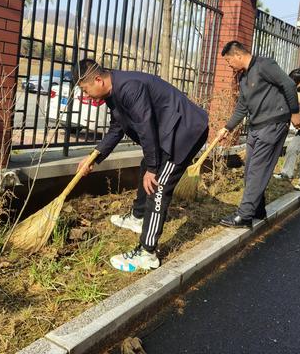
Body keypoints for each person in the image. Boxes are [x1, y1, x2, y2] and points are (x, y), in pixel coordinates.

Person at [74, 59, 209, 272]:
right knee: (145, 165)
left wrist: (154, 169)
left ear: (98, 80)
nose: (85, 94)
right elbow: (117, 128)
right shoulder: (113, 93)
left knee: (157, 186)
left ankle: (147, 253)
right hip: (169, 130)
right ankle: (137, 218)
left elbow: (146, 127)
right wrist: (94, 157)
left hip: (186, 132)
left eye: (85, 89)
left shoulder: (129, 88)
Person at [217, 41, 300, 228]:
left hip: (273, 124)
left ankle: (244, 216)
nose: (229, 65)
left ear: (238, 55)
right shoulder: (244, 78)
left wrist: (294, 112)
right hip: (256, 127)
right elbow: (242, 107)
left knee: (257, 170)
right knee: (250, 170)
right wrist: (227, 127)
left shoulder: (265, 65)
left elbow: (288, 84)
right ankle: (257, 209)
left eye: (229, 60)